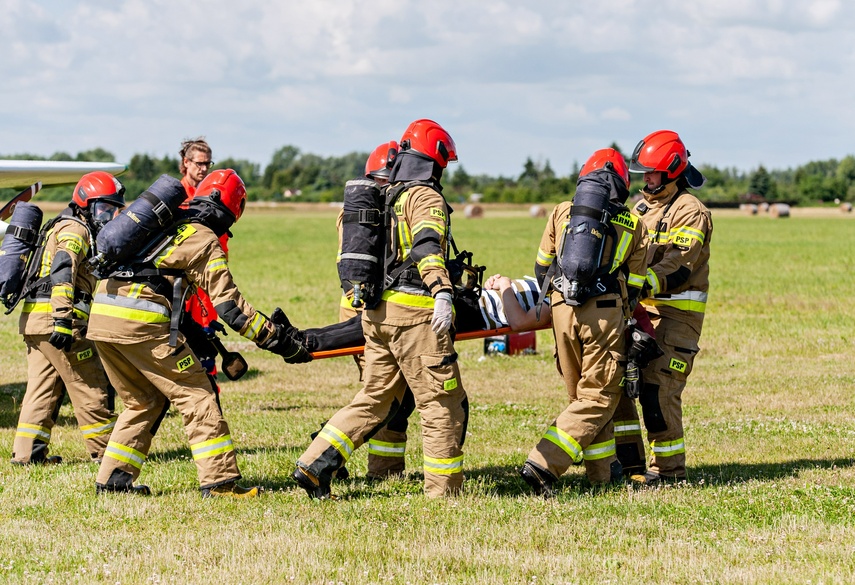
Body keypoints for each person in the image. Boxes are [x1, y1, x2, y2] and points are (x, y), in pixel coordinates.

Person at [86, 169, 310, 497]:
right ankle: (220, 483)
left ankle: (114, 480)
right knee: (197, 395)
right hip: (138, 321)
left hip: (103, 317)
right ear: (235, 210)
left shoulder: (165, 222)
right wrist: (273, 337)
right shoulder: (203, 237)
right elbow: (231, 307)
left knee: (142, 400)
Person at [294, 119, 468, 499]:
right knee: (441, 402)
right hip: (415, 315)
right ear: (434, 161)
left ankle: (314, 463)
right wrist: (441, 290)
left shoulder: (388, 196)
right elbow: (425, 246)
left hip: (377, 314)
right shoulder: (424, 197)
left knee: (375, 398)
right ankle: (444, 492)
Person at [519, 148, 648, 497]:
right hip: (604, 313)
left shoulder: (561, 212)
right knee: (600, 396)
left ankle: (601, 476)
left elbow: (541, 266)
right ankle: (543, 464)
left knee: (580, 395)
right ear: (622, 184)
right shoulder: (634, 223)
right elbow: (635, 285)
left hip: (561, 311)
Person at [618, 130, 713, 486]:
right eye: (643, 173)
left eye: (653, 173)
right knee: (622, 386)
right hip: (639, 311)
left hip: (676, 316)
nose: (646, 180)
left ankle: (670, 473)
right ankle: (630, 467)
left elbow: (679, 265)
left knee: (658, 390)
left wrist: (637, 283)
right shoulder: (642, 207)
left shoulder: (691, 212)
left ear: (672, 171)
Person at [11, 172, 124, 465]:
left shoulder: (61, 225)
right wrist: (63, 319)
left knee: (42, 387)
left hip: (35, 322)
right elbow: (63, 271)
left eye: (112, 209)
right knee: (91, 385)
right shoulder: (76, 230)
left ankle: (27, 454)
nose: (108, 216)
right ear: (85, 204)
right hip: (58, 321)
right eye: (103, 208)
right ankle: (107, 456)